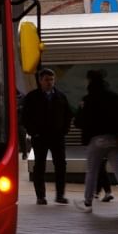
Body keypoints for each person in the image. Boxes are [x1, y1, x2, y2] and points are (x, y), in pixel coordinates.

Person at [74, 70, 118, 215]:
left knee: (92, 172)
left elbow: (79, 121)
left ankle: (88, 203)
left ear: (89, 81)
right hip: (114, 139)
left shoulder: (88, 99)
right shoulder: (115, 97)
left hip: (96, 140)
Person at [21, 68, 72, 205]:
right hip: (40, 137)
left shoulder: (60, 96)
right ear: (40, 81)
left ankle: (60, 195)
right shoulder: (32, 97)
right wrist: (33, 132)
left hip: (57, 136)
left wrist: (64, 130)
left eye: (51, 79)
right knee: (39, 165)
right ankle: (40, 196)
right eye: (46, 80)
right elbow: (25, 117)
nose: (49, 82)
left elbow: (68, 114)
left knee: (61, 165)